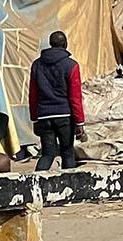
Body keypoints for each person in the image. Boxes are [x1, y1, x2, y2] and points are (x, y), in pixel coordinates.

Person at [28, 31, 85, 172]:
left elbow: (33, 94)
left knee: (47, 154)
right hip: (64, 116)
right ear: (65, 44)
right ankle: (70, 186)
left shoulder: (37, 65)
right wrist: (79, 122)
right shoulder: (71, 66)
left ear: (51, 44)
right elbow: (75, 97)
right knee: (67, 152)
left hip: (44, 116)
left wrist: (35, 118)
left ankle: (36, 184)